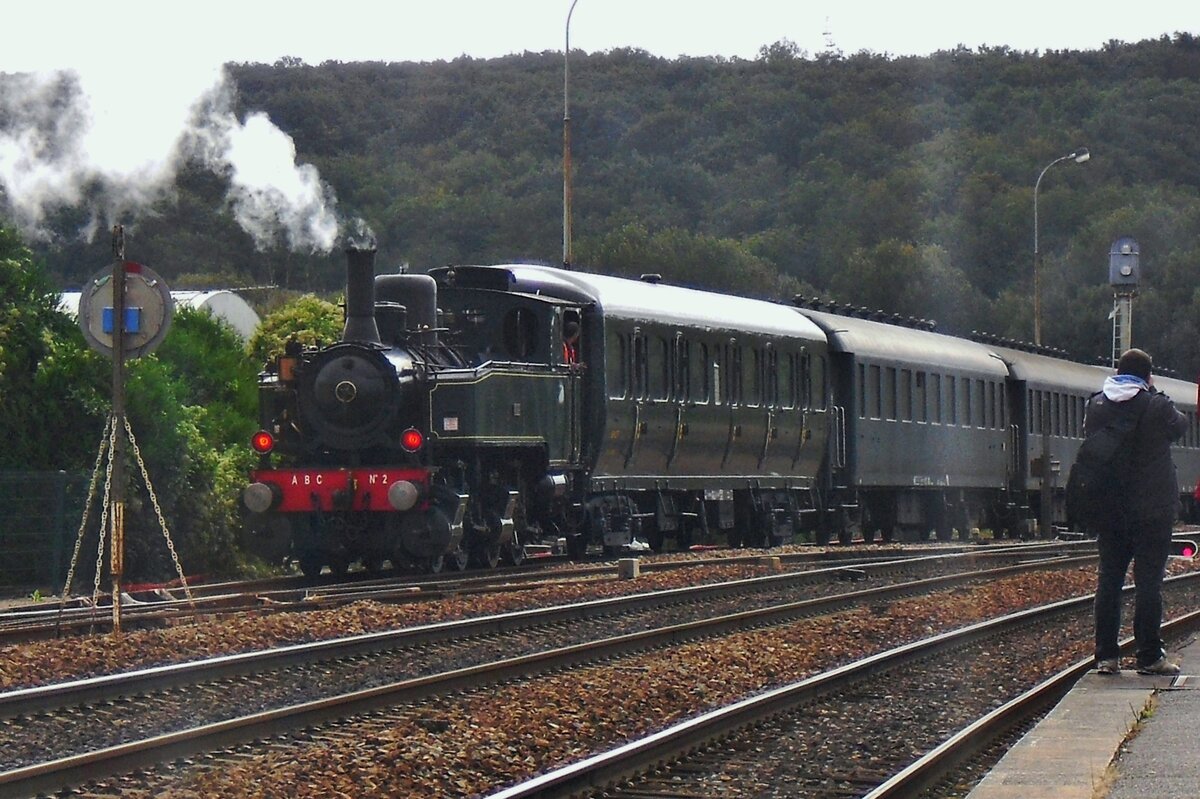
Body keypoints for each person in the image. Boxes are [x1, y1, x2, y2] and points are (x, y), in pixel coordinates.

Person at [1088, 348, 1188, 675]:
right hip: (1152, 512)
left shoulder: (1097, 405)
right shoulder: (1157, 406)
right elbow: (1180, 426)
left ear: (1118, 372)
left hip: (1111, 511)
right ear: (1147, 376)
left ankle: (1106, 656)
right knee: (1148, 584)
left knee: (1109, 583)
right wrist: (1154, 392)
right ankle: (1148, 656)